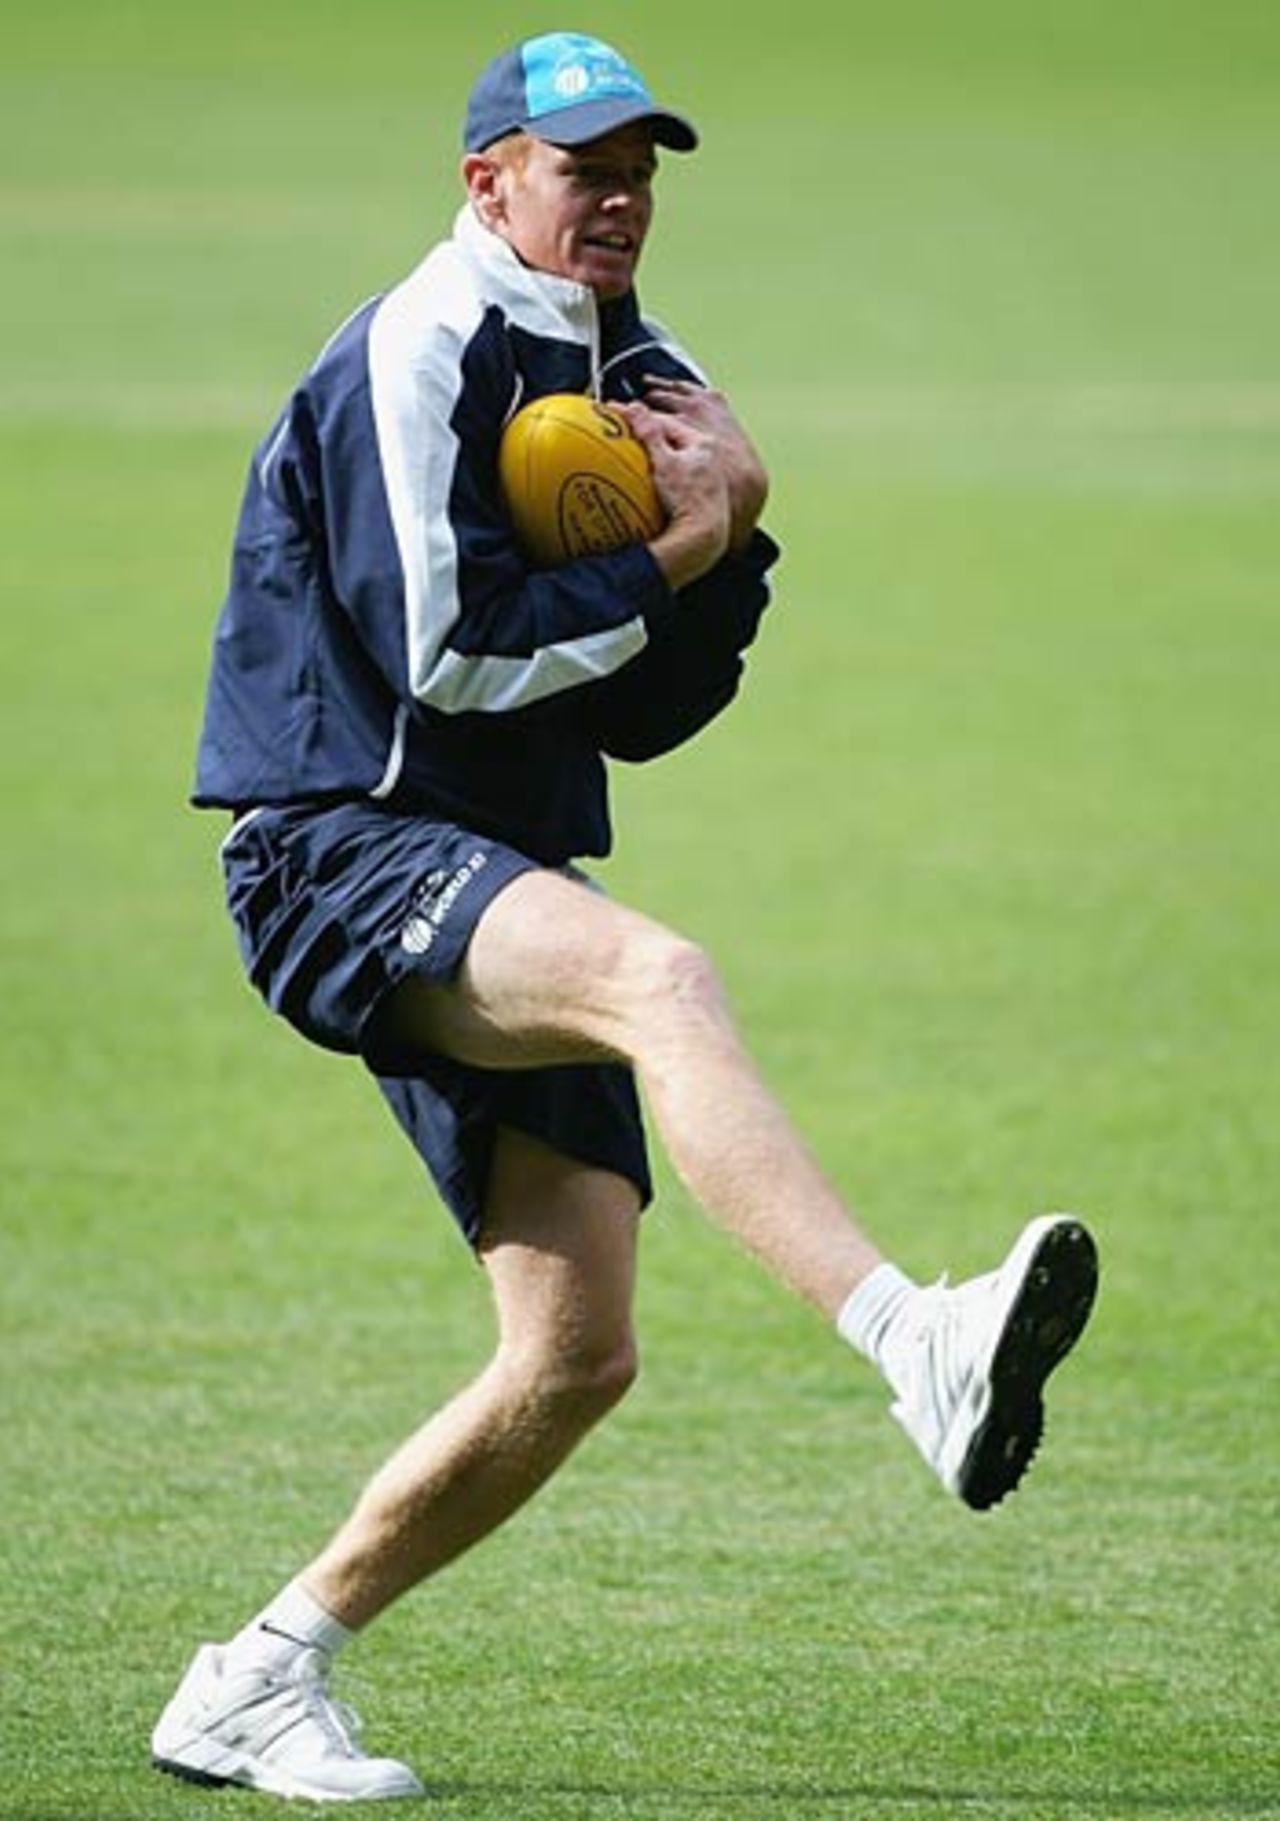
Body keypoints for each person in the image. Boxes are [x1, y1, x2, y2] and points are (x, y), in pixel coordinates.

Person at [152, 30, 1099, 1804]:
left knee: (576, 1354)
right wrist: (678, 549)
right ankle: (919, 1340)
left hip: (494, 862)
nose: (620, 195)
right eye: (581, 165)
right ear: (486, 180)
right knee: (665, 979)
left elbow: (645, 705)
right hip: (336, 843)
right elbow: (450, 649)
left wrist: (734, 541)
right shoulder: (415, 347)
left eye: (640, 166)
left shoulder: (643, 364)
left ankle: (258, 1675)